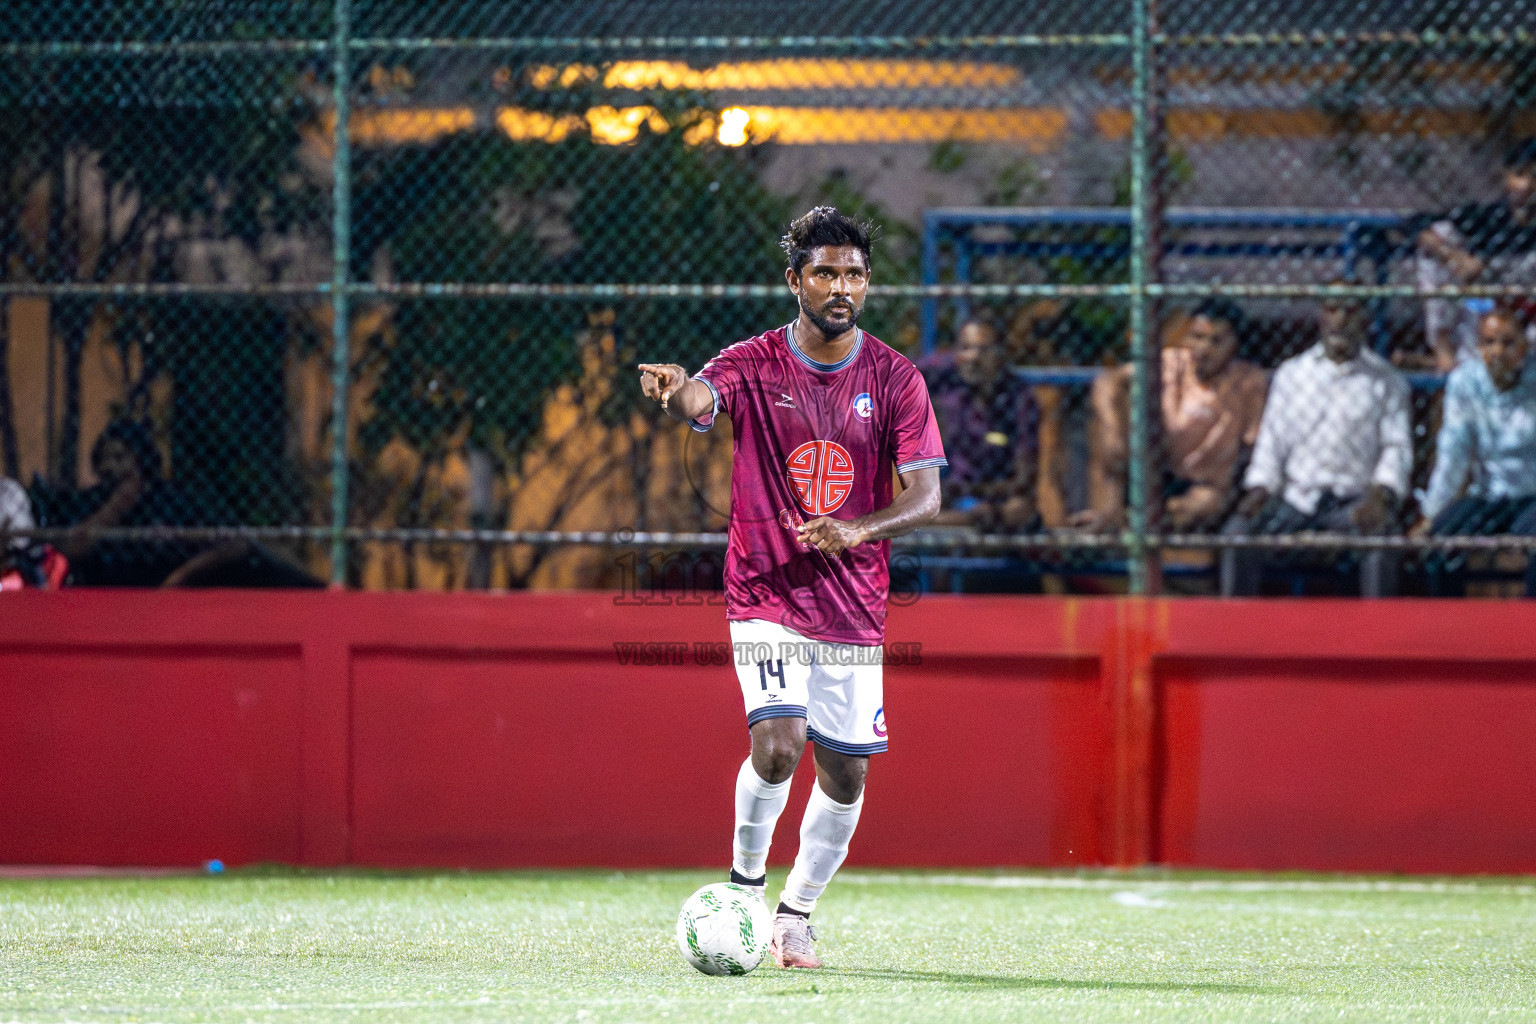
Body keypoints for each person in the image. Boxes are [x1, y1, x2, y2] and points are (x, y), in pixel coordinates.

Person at [637, 207, 944, 970]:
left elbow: (927, 497)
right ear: (794, 280)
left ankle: (795, 912)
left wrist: (857, 531)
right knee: (779, 745)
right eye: (825, 273)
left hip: (852, 602)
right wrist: (678, 392)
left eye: (854, 275)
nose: (841, 287)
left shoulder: (896, 378)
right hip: (765, 589)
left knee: (846, 773)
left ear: (866, 284)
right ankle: (742, 889)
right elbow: (703, 400)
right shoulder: (753, 361)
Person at [1220, 297, 1412, 597]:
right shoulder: (1291, 375)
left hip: (1353, 500)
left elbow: (1396, 447)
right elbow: (1272, 441)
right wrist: (1259, 488)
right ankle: (1237, 630)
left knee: (1383, 538)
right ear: (1321, 316)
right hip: (1297, 498)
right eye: (1332, 309)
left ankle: (1379, 634)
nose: (1340, 320)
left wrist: (1380, 494)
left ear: (1364, 319)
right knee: (1237, 534)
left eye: (1350, 310)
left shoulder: (1386, 380)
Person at [1070, 299, 1268, 532]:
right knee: (1108, 428)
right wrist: (1113, 430)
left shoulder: (1248, 382)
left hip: (1209, 481)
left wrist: (1236, 488)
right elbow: (1107, 382)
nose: (1203, 349)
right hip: (1161, 468)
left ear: (1235, 345)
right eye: (1197, 337)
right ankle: (1116, 514)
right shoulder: (1173, 363)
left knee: (1201, 505)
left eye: (1216, 341)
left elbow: (1252, 441)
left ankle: (1136, 522)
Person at [1413, 305, 1536, 595]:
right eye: (1489, 342)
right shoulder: (1465, 383)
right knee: (1440, 538)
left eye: (1508, 343)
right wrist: (1432, 512)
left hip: (1532, 494)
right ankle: (1447, 626)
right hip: (1488, 493)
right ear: (1479, 347)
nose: (1498, 352)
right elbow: (1453, 453)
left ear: (1524, 347)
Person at [51, 419, 252, 587]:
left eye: (120, 457)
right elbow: (68, 551)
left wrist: (180, 577)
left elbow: (236, 543)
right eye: (104, 459)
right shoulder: (94, 500)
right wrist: (115, 508)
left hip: (168, 599)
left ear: (141, 458)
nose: (110, 467)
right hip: (106, 600)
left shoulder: (172, 498)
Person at [1415, 138, 1536, 371]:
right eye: (1520, 174)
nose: (1528, 185)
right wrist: (1454, 257)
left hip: (1529, 320)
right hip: (1486, 308)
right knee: (1441, 233)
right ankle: (1443, 349)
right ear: (1507, 178)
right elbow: (1414, 224)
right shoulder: (1489, 217)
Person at [928, 317, 1047, 531]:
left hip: (995, 499)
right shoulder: (947, 389)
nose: (974, 358)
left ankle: (963, 521)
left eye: (984, 350)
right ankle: (960, 521)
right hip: (946, 495)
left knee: (1020, 511)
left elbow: (1023, 478)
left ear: (1001, 355)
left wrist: (977, 492)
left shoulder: (1019, 399)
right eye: (966, 348)